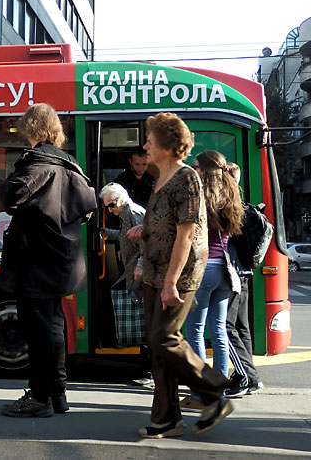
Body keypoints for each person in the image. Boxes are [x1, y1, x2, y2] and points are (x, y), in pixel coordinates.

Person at [127, 112, 232, 439]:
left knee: (165, 338)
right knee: (157, 348)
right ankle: (166, 419)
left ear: (169, 144)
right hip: (154, 272)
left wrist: (171, 281)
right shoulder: (160, 177)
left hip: (179, 274)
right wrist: (143, 232)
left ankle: (215, 391)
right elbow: (165, 225)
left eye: (150, 140)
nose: (145, 145)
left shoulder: (186, 178)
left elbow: (187, 233)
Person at [0, 103, 97, 418]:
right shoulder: (71, 164)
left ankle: (39, 397)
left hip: (35, 261)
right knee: (53, 326)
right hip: (63, 260)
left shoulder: (37, 164)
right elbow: (88, 208)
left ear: (32, 129)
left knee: (37, 331)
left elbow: (8, 196)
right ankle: (58, 393)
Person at [182, 150, 245, 410]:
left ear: (204, 169)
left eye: (195, 165)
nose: (192, 168)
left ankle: (200, 395)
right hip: (225, 271)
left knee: (194, 331)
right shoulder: (231, 194)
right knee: (218, 331)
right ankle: (218, 391)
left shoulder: (198, 197)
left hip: (203, 268)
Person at [99, 182, 150, 385]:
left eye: (111, 205)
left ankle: (150, 373)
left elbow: (145, 242)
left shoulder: (134, 212)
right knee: (143, 321)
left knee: (145, 322)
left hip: (139, 275)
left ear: (120, 200)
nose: (110, 210)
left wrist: (139, 266)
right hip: (134, 274)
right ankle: (147, 371)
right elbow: (126, 237)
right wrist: (108, 233)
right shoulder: (126, 213)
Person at [224, 162, 264, 397]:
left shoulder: (228, 207)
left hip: (232, 272)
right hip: (244, 271)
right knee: (242, 326)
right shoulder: (244, 206)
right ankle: (247, 375)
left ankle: (248, 377)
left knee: (225, 326)